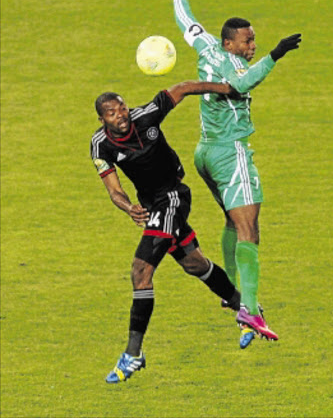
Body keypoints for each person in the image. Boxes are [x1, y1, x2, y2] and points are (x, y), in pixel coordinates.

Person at [159, 0, 302, 349]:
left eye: (255, 40)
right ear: (229, 43)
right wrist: (275, 55)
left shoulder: (205, 45)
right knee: (249, 229)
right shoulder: (233, 64)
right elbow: (241, 83)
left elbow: (184, 18)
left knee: (229, 221)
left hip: (204, 153)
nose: (252, 45)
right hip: (230, 153)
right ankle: (250, 309)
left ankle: (233, 297)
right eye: (247, 41)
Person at [90, 80, 241, 383]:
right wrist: (128, 206)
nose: (120, 115)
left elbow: (182, 89)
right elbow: (113, 190)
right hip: (150, 206)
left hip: (173, 196)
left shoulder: (146, 116)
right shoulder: (100, 145)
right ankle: (245, 306)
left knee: (140, 271)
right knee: (194, 264)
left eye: (122, 107)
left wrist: (226, 89)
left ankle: (133, 354)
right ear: (102, 119)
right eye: (111, 113)